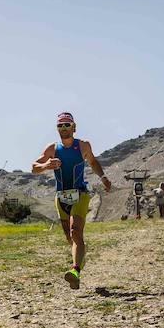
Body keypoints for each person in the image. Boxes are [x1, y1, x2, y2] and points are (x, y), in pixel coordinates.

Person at [32, 112, 111, 289]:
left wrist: (104, 177)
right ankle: (80, 256)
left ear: (74, 127)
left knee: (76, 231)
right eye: (60, 125)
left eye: (67, 125)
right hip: (60, 197)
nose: (64, 128)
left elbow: (92, 161)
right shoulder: (52, 148)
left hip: (80, 194)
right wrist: (46, 165)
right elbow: (34, 167)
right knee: (70, 237)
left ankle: (75, 270)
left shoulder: (83, 145)